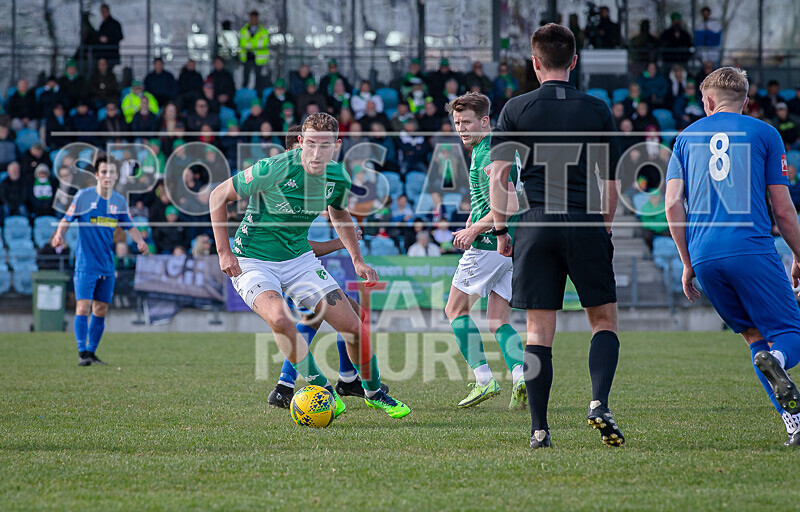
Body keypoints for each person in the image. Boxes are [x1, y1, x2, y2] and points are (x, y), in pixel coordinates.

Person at [209, 112, 410, 418]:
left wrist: (358, 260)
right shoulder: (272, 168)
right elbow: (217, 196)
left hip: (299, 260)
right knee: (279, 317)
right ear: (300, 141)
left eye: (325, 145)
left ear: (337, 146)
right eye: (311, 144)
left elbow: (340, 216)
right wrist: (224, 252)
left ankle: (373, 392)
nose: (317, 153)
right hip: (252, 260)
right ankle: (323, 389)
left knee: (353, 326)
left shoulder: (338, 177)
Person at [489, 24, 623, 449]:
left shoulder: (515, 108)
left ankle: (539, 429)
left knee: (536, 330)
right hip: (583, 219)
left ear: (534, 62)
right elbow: (612, 180)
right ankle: (598, 402)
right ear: (574, 61)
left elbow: (499, 177)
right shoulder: (598, 108)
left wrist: (500, 229)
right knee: (603, 321)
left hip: (535, 223)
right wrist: (603, 225)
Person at [665, 67, 800, 446]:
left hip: (706, 256)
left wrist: (688, 262)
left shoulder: (684, 138)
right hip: (751, 248)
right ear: (746, 99)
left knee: (755, 338)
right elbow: (784, 211)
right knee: (790, 333)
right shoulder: (765, 133)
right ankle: (779, 361)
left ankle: (795, 422)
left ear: (707, 102)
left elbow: (673, 204)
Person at [443, 92, 526, 409]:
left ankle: (483, 380)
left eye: (467, 122)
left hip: (492, 243)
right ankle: (520, 377)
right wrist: (472, 218)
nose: (461, 129)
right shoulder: (494, 148)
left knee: (455, 310)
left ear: (485, 121)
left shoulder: (488, 152)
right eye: (457, 123)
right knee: (498, 320)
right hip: (513, 246)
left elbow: (512, 203)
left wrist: (477, 228)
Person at [51, 152, 149, 366]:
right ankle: (82, 352)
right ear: (97, 174)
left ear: (115, 176)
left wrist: (140, 241)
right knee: (83, 306)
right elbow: (66, 219)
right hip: (86, 263)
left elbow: (129, 226)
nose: (108, 176)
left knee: (101, 308)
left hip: (106, 263)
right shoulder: (83, 197)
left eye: (111, 172)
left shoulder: (119, 201)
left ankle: (92, 353)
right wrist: (59, 235)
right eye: (104, 172)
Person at [238, 10, 270, 92]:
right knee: (246, 78)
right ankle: (244, 94)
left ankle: (258, 95)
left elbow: (264, 43)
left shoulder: (263, 31)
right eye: (252, 18)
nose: (253, 20)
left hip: (259, 59)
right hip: (247, 57)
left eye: (255, 18)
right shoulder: (244, 30)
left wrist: (250, 45)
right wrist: (256, 44)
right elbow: (243, 43)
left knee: (259, 79)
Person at [96, 4, 124, 69]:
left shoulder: (115, 24)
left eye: (104, 11)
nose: (103, 13)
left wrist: (107, 39)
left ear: (108, 11)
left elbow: (120, 37)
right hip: (103, 54)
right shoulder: (102, 24)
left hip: (111, 54)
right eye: (102, 12)